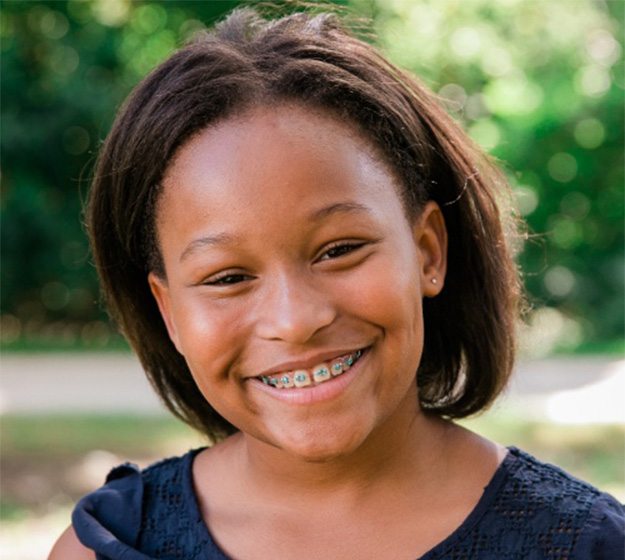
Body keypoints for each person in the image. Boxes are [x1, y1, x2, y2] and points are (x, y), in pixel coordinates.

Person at [49, 6, 623, 560]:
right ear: (169, 312)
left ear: (427, 251)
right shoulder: (106, 548)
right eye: (227, 277)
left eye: (340, 250)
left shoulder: (586, 545)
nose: (296, 320)